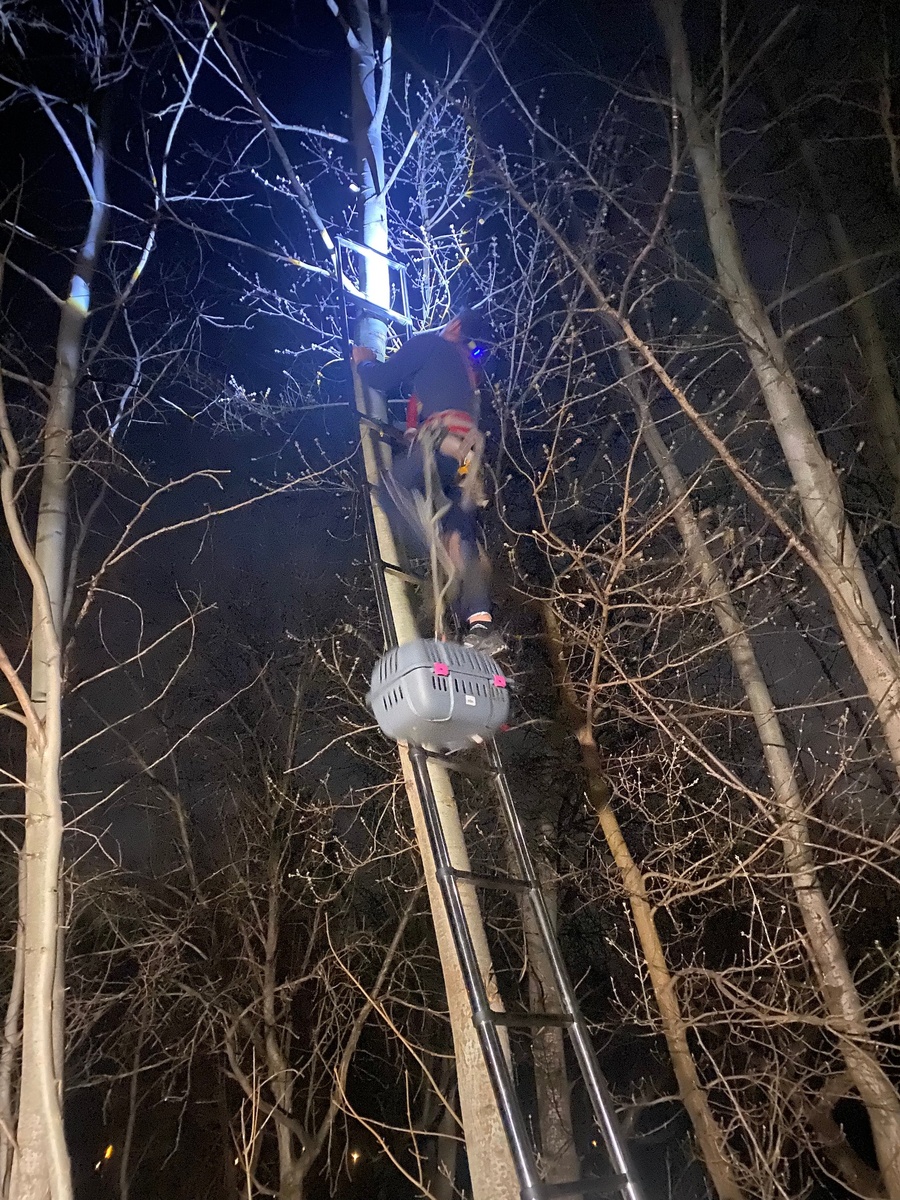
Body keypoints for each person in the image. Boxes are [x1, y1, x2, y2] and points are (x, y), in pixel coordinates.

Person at [352, 310, 503, 655]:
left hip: (439, 446)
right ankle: (481, 624)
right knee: (459, 530)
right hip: (466, 460)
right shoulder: (469, 375)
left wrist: (364, 362)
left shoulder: (432, 345)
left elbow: (383, 377)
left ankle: (437, 553)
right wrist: (411, 428)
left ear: (455, 325)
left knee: (390, 491)